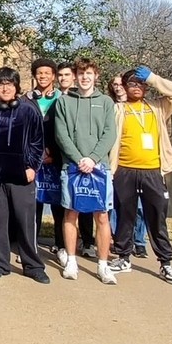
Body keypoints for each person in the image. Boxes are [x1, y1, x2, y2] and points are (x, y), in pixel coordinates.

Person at [109, 67, 172, 285]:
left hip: (152, 171)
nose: (136, 88)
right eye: (131, 84)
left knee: (156, 217)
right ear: (124, 87)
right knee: (125, 215)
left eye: (140, 84)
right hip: (124, 170)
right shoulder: (118, 109)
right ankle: (123, 257)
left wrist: (153, 78)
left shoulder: (158, 107)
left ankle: (166, 262)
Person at [0, 67, 49, 283]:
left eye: (10, 84)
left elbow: (37, 142)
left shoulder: (28, 110)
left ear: (16, 87)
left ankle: (32, 265)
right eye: (1, 84)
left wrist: (32, 166)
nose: (5, 88)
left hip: (22, 175)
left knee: (26, 222)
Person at [54, 58, 118, 284]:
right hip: (71, 167)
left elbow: (110, 133)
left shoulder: (107, 102)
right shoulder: (64, 102)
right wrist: (79, 158)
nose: (84, 77)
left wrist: (92, 159)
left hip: (99, 168)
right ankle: (71, 260)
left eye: (89, 73)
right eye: (81, 73)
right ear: (75, 76)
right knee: (71, 213)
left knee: (102, 216)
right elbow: (61, 135)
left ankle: (103, 264)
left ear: (96, 76)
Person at [24, 58, 65, 264]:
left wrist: (53, 153)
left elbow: (66, 131)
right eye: (39, 73)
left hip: (56, 159)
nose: (43, 76)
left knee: (59, 205)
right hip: (33, 159)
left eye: (47, 73)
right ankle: (31, 245)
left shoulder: (62, 99)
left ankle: (61, 245)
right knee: (34, 204)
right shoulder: (26, 99)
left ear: (53, 76)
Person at [107, 75, 148, 257]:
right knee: (117, 205)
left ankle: (139, 241)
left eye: (120, 84)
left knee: (140, 206)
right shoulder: (112, 107)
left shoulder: (146, 107)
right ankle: (120, 240)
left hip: (144, 164)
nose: (117, 87)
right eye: (114, 85)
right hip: (119, 164)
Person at [58, 59, 95, 256]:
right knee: (66, 206)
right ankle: (63, 245)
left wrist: (89, 158)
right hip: (62, 159)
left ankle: (88, 242)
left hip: (88, 162)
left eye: (67, 75)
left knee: (87, 204)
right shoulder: (60, 99)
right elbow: (61, 133)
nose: (64, 78)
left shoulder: (98, 100)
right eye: (61, 75)